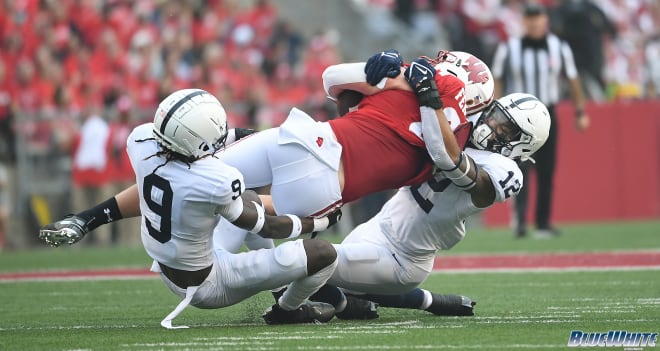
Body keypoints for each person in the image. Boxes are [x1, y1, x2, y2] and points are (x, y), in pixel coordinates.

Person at [39, 89, 342, 328]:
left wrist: (86, 219)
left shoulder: (143, 140)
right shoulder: (214, 181)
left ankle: (279, 287)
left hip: (175, 266)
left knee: (245, 202)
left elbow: (149, 189)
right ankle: (286, 310)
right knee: (323, 254)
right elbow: (265, 226)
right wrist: (318, 222)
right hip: (210, 283)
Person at [312, 57, 551, 318]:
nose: (492, 127)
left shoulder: (506, 169)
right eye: (495, 117)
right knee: (330, 282)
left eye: (505, 129)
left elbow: (472, 180)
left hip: (402, 256)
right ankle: (423, 302)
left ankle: (342, 303)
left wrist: (432, 100)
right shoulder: (465, 125)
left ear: (524, 145)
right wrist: (399, 69)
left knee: (306, 266)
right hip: (377, 226)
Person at [490, 2, 589, 239]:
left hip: (548, 113)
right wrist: (496, 112)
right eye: (531, 19)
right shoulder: (509, 47)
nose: (535, 23)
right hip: (516, 118)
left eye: (539, 18)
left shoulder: (559, 47)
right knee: (519, 168)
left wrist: (580, 111)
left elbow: (573, 79)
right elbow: (497, 79)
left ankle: (543, 223)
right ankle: (520, 222)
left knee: (546, 170)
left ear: (545, 21)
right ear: (524, 22)